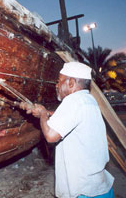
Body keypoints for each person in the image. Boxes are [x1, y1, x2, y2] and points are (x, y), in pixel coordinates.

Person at [20, 62, 114, 198]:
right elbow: (72, 119)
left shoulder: (73, 101)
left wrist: (43, 115)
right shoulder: (88, 100)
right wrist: (47, 114)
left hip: (83, 190)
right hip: (98, 185)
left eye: (59, 81)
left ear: (71, 83)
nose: (57, 86)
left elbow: (51, 136)